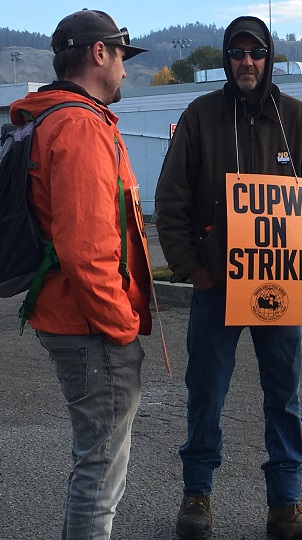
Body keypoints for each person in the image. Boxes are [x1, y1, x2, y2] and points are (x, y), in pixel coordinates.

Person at [155, 15, 302, 540]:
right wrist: (193, 268)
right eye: (237, 54)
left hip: (279, 288)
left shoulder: (297, 120)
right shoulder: (200, 117)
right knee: (205, 393)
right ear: (226, 59)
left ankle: (286, 505)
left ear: (268, 56)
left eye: (255, 53)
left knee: (284, 396)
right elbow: (172, 200)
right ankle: (197, 498)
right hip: (217, 289)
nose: (246, 63)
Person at [9, 9, 152, 540]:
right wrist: (121, 327)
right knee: (99, 475)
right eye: (121, 57)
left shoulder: (48, 118)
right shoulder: (81, 126)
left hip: (62, 313)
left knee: (92, 464)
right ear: (99, 53)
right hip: (89, 327)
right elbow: (87, 250)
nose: (124, 71)